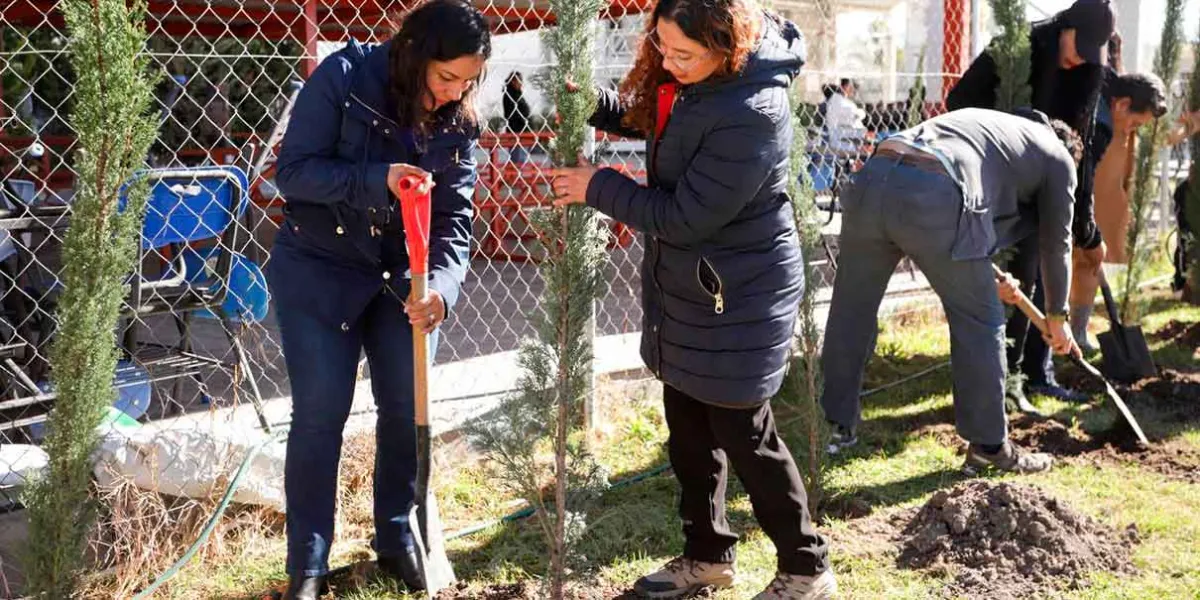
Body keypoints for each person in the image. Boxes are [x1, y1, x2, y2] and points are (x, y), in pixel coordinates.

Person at [552, 1, 836, 598]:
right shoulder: (690, 82)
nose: (669, 61)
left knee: (744, 434)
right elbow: (656, 118)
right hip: (694, 288)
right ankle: (707, 556)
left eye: (685, 54)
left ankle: (807, 566)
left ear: (727, 45)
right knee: (686, 431)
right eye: (661, 46)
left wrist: (597, 186)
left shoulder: (755, 109)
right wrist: (598, 104)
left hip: (742, 293)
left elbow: (685, 217)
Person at [267, 2, 488, 598]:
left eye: (467, 82)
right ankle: (308, 565)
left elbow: (455, 221)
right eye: (445, 77)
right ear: (414, 53)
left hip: (406, 278)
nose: (452, 93)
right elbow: (293, 173)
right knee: (320, 415)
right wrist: (378, 177)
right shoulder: (342, 78)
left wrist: (440, 289)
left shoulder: (460, 122)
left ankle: (398, 538)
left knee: (405, 410)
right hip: (319, 268)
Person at [820, 107, 1083, 474]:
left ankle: (831, 428)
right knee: (980, 320)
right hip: (934, 190)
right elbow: (1057, 243)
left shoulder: (989, 128)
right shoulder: (1059, 156)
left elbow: (957, 199)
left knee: (852, 310)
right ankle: (989, 447)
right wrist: (1058, 315)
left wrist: (983, 268)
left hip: (874, 177)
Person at [946, 0, 1114, 409]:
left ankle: (1034, 375)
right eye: (1078, 46)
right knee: (1009, 281)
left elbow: (1085, 150)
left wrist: (1086, 226)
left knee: (1042, 273)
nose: (1079, 60)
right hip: (993, 183)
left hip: (1047, 188)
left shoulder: (1089, 74)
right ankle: (998, 382)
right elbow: (957, 103)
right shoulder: (1014, 50)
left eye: (1091, 53)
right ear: (1065, 27)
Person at [1067, 70, 1167, 349]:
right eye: (1135, 123)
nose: (1133, 130)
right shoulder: (1094, 122)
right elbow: (1082, 179)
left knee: (1089, 265)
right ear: (1122, 105)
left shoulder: (1116, 123)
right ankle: (1050, 332)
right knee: (1059, 263)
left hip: (1097, 201)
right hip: (1071, 197)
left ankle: (1077, 331)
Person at [825, 77, 867, 153]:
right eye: (851, 87)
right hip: (841, 140)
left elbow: (859, 114)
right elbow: (855, 114)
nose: (853, 90)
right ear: (844, 87)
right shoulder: (837, 101)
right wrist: (859, 113)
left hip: (846, 138)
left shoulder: (844, 101)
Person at [503, 71, 533, 163]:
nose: (521, 83)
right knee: (518, 161)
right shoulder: (510, 95)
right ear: (513, 81)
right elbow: (513, 114)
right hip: (517, 131)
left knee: (521, 160)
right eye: (519, 81)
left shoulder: (517, 94)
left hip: (522, 132)